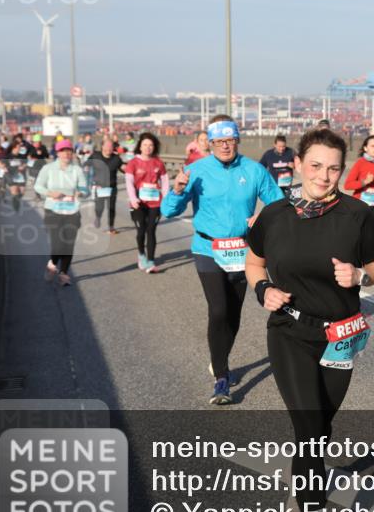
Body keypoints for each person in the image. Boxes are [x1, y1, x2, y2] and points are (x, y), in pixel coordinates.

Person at [245, 128, 374, 512]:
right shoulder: (274, 215)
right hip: (290, 332)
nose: (324, 176)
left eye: (334, 168)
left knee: (321, 428)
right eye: (316, 166)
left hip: (341, 336)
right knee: (309, 430)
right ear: (299, 164)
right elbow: (254, 262)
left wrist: (360, 276)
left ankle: (303, 484)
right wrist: (263, 289)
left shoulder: (358, 215)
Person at [161, 115, 283, 404]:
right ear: (210, 143)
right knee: (218, 310)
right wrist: (177, 190)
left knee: (233, 315)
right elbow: (168, 211)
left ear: (237, 141)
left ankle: (219, 358)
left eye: (230, 140)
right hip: (208, 249)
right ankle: (221, 377)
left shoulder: (254, 170)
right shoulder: (196, 170)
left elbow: (279, 203)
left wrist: (263, 216)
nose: (225, 146)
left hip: (242, 251)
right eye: (219, 141)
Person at [34, 139, 90, 286]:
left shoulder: (77, 170)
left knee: (69, 243)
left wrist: (81, 192)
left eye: (69, 150)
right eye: (63, 151)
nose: (66, 153)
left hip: (72, 210)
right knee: (57, 243)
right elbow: (38, 186)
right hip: (53, 210)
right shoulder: (48, 168)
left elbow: (85, 189)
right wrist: (50, 193)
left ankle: (64, 273)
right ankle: (52, 263)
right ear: (57, 153)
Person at [125, 132, 169, 273]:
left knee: (151, 230)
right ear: (140, 146)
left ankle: (151, 261)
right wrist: (133, 198)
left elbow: (165, 181)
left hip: (155, 202)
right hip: (138, 203)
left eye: (151, 145)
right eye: (145, 145)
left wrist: (166, 198)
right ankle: (141, 254)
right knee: (141, 230)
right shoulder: (133, 163)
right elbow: (129, 182)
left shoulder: (158, 163)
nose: (148, 147)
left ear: (154, 147)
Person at [344, 134, 374, 236]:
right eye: (372, 146)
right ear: (365, 148)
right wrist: (364, 182)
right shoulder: (360, 163)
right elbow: (347, 185)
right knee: (360, 235)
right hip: (360, 205)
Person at [89, 138, 125, 233]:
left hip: (111, 187)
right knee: (99, 207)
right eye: (107, 146)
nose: (109, 148)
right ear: (102, 146)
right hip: (99, 187)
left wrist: (128, 168)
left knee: (111, 208)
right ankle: (98, 217)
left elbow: (123, 168)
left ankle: (111, 226)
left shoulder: (116, 158)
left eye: (111, 146)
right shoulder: (95, 155)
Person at [4, 135, 31, 212]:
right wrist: (6, 168)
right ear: (14, 147)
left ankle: (15, 200)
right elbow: (4, 165)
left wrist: (23, 166)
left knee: (22, 192)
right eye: (19, 147)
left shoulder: (22, 156)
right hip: (11, 175)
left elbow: (26, 163)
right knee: (15, 191)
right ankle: (16, 208)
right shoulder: (8, 156)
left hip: (20, 176)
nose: (20, 148)